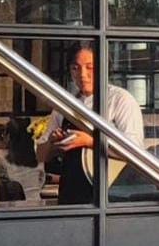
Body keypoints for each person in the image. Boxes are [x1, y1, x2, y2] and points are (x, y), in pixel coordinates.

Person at [37, 42, 145, 204]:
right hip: (70, 195)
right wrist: (54, 143)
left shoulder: (120, 100)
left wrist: (89, 141)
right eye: (76, 68)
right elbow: (40, 154)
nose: (83, 74)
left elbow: (135, 150)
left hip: (109, 196)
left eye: (90, 67)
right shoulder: (65, 104)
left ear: (104, 68)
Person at [0, 119, 44, 201]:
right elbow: (42, 180)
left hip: (17, 206)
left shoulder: (1, 156)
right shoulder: (39, 157)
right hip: (38, 204)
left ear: (8, 138)